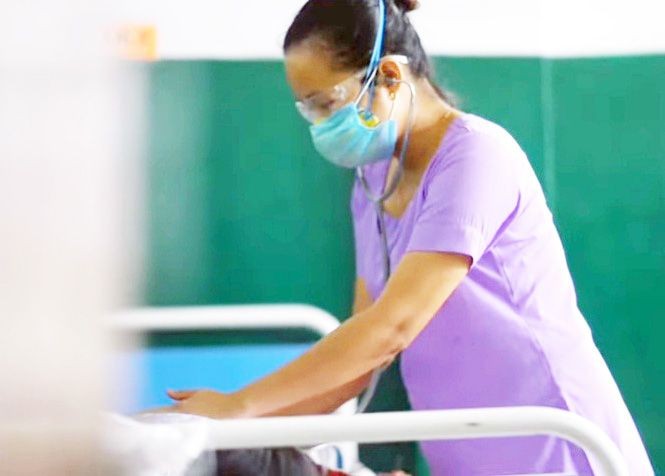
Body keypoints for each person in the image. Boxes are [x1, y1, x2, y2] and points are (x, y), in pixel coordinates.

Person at [163, 0, 654, 474]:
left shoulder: (477, 159)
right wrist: (234, 433)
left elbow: (389, 331)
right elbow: (357, 361)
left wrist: (237, 407)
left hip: (553, 444)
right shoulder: (374, 183)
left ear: (390, 78)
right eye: (307, 110)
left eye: (327, 103)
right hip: (465, 447)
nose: (320, 124)